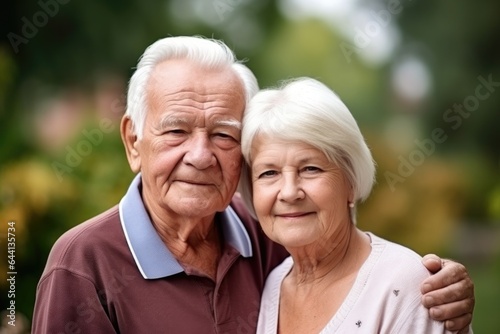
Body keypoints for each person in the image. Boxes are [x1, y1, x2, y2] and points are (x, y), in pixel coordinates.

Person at [32, 36, 474, 333]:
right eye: (176, 131)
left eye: (223, 134)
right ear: (133, 141)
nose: (201, 155)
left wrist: (440, 289)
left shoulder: (265, 236)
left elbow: (359, 275)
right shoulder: (82, 266)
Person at [238, 77, 473, 333]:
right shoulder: (271, 286)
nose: (290, 192)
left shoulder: (405, 285)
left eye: (310, 168)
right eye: (269, 173)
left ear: (350, 182)